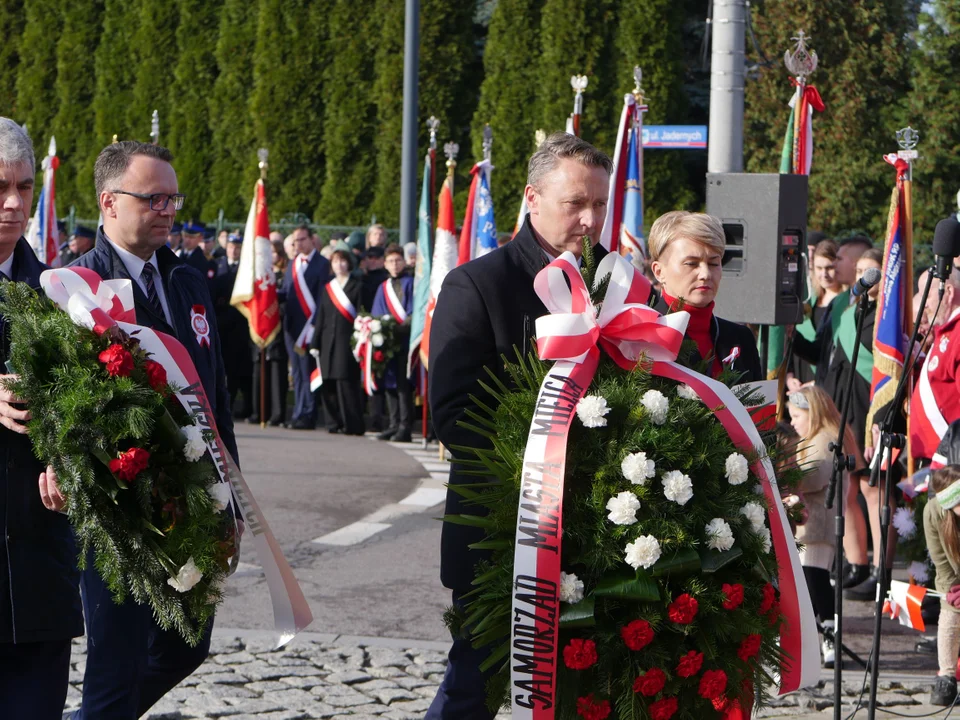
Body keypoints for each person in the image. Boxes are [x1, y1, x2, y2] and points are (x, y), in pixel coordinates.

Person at [428, 131, 612, 719]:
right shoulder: (480, 284)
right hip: (503, 527)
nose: (589, 219)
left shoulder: (618, 283)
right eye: (575, 204)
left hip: (605, 527)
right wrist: (546, 467)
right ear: (532, 198)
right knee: (476, 685)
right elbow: (454, 414)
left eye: (600, 205)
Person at [69, 139, 238, 719]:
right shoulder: (76, 286)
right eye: (154, 198)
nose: (169, 210)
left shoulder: (188, 280)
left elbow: (213, 391)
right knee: (115, 663)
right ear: (109, 202)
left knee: (187, 642)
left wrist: (228, 498)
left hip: (193, 497)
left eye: (173, 198)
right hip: (121, 507)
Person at [0, 117, 84, 720]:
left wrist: (73, 455)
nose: (13, 204)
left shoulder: (62, 293)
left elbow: (100, 411)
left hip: (37, 566)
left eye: (24, 188)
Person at [786, 386, 863, 668]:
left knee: (815, 579)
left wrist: (784, 477)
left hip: (818, 523)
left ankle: (829, 637)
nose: (792, 422)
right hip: (813, 523)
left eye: (796, 415)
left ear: (812, 413)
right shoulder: (816, 438)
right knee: (811, 581)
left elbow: (813, 476)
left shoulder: (823, 441)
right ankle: (821, 636)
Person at [647, 211, 763, 383]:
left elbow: (757, 409)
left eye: (714, 263)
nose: (705, 274)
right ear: (659, 271)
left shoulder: (741, 338)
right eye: (691, 264)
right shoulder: (642, 338)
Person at [279, 223, 330, 430]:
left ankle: (308, 414)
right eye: (295, 240)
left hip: (310, 327)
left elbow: (322, 297)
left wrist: (315, 325)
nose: (298, 243)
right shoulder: (292, 264)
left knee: (309, 370)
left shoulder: (323, 264)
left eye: (301, 239)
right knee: (297, 373)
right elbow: (286, 291)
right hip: (292, 326)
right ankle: (298, 412)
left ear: (311, 239)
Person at [309, 246, 364, 435]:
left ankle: (352, 424)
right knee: (328, 384)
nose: (339, 265)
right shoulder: (328, 288)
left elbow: (361, 315)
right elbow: (321, 316)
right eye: (335, 261)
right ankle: (333, 423)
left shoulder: (357, 286)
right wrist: (315, 343)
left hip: (346, 343)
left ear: (348, 263)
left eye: (342, 261)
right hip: (326, 342)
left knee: (346, 384)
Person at [910, 267, 960, 466]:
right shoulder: (946, 331)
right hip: (937, 458)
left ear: (948, 292)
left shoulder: (956, 334)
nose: (924, 305)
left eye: (926, 295)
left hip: (950, 461)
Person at [924, 464, 960, 705]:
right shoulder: (934, 512)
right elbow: (942, 564)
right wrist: (952, 592)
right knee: (951, 613)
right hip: (955, 578)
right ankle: (946, 676)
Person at [372, 244, 415, 442]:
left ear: (404, 262)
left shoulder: (411, 283)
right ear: (385, 264)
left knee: (403, 385)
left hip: (405, 341)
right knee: (390, 383)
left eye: (398, 260)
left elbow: (415, 312)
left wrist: (397, 327)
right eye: (390, 261)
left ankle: (405, 426)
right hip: (387, 344)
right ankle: (393, 423)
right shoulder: (383, 287)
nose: (395, 264)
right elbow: (376, 313)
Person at [787, 239, 843, 389]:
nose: (824, 274)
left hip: (825, 385)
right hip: (799, 382)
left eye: (829, 267)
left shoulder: (846, 304)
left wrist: (820, 382)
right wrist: (789, 375)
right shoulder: (808, 301)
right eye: (819, 268)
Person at [213, 233, 254, 420]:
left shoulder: (246, 269)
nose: (234, 250)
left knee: (241, 369)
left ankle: (244, 406)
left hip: (240, 326)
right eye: (231, 246)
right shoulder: (217, 265)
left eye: (237, 247)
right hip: (221, 325)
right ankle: (225, 405)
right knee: (224, 368)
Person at [251, 238, 289, 426]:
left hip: (278, 327)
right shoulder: (258, 276)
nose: (271, 257)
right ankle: (259, 412)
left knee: (277, 374)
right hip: (260, 328)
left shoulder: (284, 275)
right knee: (259, 372)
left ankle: (277, 413)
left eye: (274, 253)